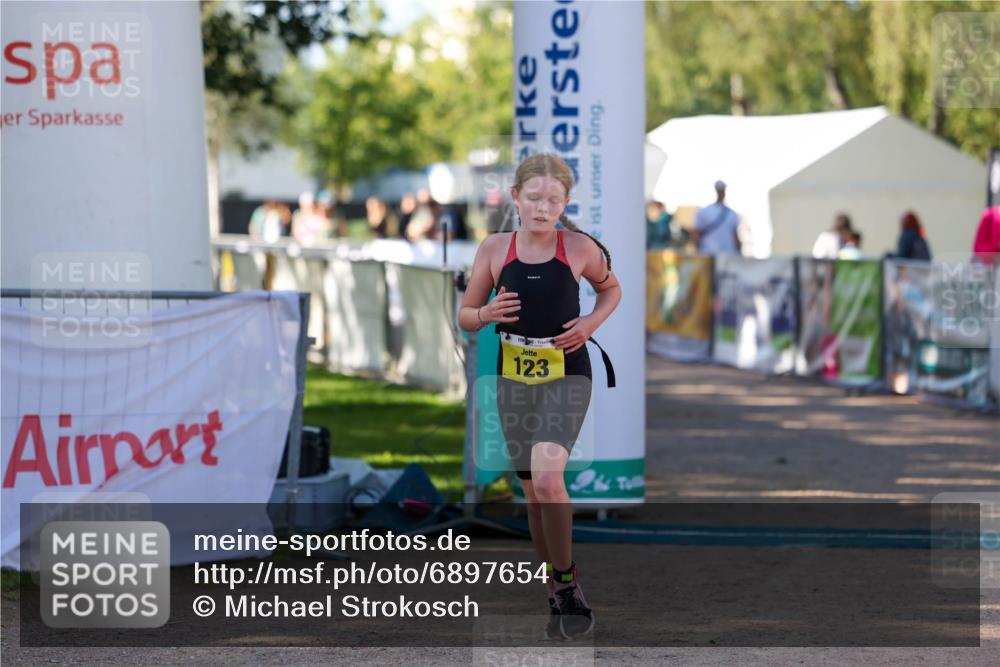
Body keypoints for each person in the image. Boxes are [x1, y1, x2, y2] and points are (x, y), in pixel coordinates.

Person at [458, 153, 621, 640]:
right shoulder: (494, 249)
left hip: (566, 372)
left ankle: (568, 584)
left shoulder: (579, 248)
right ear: (515, 199)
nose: (543, 208)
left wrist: (590, 323)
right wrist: (486, 314)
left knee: (549, 481)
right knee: (531, 492)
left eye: (553, 200)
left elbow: (611, 291)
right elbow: (466, 314)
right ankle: (554, 589)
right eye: (534, 198)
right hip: (512, 376)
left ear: (565, 203)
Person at [692, 180, 741, 255]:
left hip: (727, 255)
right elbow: (696, 234)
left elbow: (735, 236)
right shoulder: (703, 212)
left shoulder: (732, 214)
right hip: (708, 253)